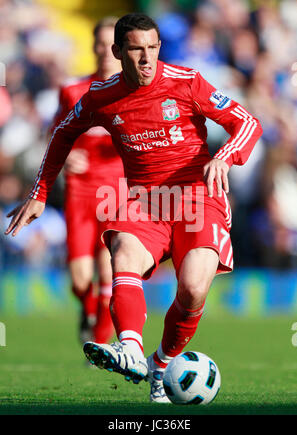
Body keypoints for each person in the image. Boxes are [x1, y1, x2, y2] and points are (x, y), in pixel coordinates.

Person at [5, 13, 262, 403]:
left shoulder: (187, 81)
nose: (146, 59)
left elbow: (247, 123)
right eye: (136, 49)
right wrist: (40, 193)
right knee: (122, 254)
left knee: (192, 289)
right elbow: (61, 134)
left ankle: (162, 364)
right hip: (146, 202)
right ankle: (130, 347)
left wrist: (224, 157)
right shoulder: (101, 97)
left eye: (152, 48)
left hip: (198, 197)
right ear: (117, 52)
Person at [51, 17, 123, 344]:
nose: (105, 51)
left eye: (113, 44)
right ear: (92, 47)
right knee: (81, 280)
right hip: (80, 193)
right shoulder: (72, 90)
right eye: (100, 43)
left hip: (117, 192)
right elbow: (56, 135)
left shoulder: (134, 91)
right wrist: (66, 157)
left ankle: (100, 340)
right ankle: (87, 307)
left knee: (110, 271)